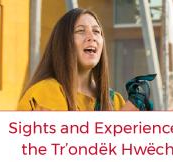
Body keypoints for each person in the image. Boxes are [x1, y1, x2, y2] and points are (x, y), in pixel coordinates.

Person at [18, 8, 151, 111]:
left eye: (96, 31)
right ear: (63, 43)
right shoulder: (45, 92)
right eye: (81, 31)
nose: (91, 37)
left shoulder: (115, 101)